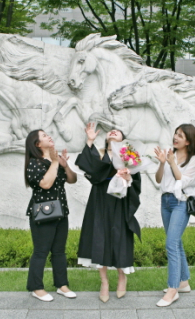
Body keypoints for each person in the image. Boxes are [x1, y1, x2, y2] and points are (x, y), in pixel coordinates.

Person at [75, 123, 142, 303]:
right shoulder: (101, 154)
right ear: (106, 138)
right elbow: (86, 165)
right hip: (100, 199)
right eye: (110, 131)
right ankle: (104, 282)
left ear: (123, 138)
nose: (113, 131)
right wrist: (89, 141)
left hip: (120, 200)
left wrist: (128, 177)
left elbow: (136, 181)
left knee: (119, 238)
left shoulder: (129, 155)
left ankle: (122, 276)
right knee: (100, 236)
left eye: (118, 131)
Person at [25, 129, 78, 302]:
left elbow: (72, 179)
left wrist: (64, 165)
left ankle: (62, 285)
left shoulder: (55, 161)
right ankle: (37, 288)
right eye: (44, 136)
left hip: (61, 212)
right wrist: (55, 163)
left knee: (59, 252)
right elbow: (46, 184)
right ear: (37, 144)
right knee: (41, 251)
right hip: (43, 214)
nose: (49, 136)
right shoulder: (34, 163)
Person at [154, 124, 195, 307]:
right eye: (175, 133)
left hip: (181, 202)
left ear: (188, 141)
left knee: (171, 243)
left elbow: (182, 181)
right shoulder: (168, 153)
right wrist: (161, 163)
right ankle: (183, 282)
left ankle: (173, 289)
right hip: (166, 201)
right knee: (176, 242)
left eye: (180, 135)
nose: (175, 137)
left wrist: (172, 162)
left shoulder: (194, 159)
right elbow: (159, 180)